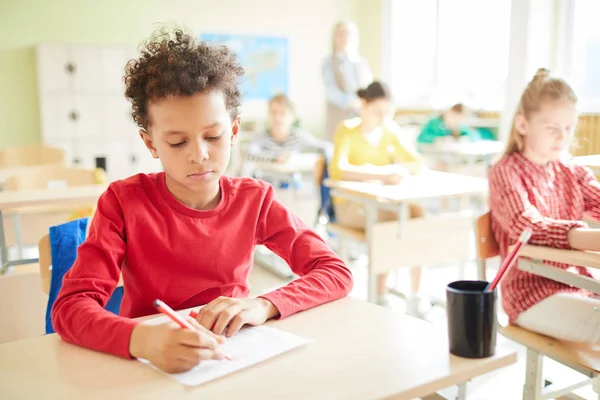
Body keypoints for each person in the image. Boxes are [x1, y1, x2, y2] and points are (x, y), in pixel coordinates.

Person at [51, 27, 353, 374]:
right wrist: (142, 340)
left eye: (213, 136)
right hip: (150, 367)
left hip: (234, 358)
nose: (199, 155)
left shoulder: (255, 200)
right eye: (177, 142)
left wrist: (263, 305)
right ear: (151, 144)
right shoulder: (122, 202)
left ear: (235, 131)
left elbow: (334, 271)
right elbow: (70, 308)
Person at [489, 68, 600, 344]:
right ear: (523, 125)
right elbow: (526, 225)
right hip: (530, 293)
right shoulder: (506, 171)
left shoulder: (571, 171)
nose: (562, 138)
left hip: (577, 284)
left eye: (568, 128)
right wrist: (588, 237)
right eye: (552, 129)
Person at [328, 81, 426, 314]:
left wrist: (402, 171)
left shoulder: (389, 131)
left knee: (419, 216)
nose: (383, 118)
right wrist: (381, 174)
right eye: (377, 112)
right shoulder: (347, 130)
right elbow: (337, 170)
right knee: (392, 223)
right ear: (363, 106)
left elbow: (416, 162)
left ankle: (415, 294)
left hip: (381, 204)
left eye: (387, 112)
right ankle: (380, 295)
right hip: (350, 205)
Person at [244, 94, 331, 164]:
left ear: (292, 117)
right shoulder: (261, 137)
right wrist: (274, 159)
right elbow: (249, 153)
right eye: (273, 113)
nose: (277, 118)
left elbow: (327, 147)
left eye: (283, 114)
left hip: (292, 182)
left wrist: (296, 158)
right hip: (266, 181)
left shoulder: (298, 136)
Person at [322, 20, 372, 141]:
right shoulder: (329, 63)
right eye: (340, 34)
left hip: (360, 118)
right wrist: (352, 102)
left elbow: (368, 88)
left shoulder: (361, 63)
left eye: (348, 34)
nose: (345, 38)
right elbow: (331, 91)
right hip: (339, 117)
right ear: (334, 38)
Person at [416, 103, 481, 149]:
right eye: (453, 117)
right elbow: (421, 138)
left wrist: (465, 139)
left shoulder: (461, 127)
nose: (455, 121)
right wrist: (437, 139)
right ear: (448, 113)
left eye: (458, 119)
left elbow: (474, 137)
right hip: (433, 154)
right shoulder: (434, 122)